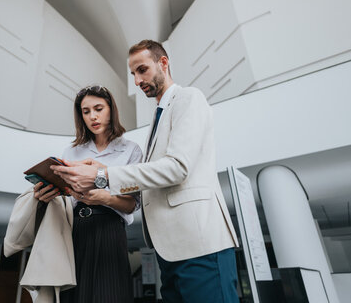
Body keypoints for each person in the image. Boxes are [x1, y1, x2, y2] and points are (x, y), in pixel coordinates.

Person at [52, 40, 240, 303]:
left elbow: (177, 168)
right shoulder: (158, 116)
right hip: (170, 250)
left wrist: (102, 177)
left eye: (142, 70)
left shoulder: (189, 98)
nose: (137, 81)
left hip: (199, 243)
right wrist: (101, 170)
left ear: (163, 63)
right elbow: (150, 175)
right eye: (133, 74)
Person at [33, 85, 142, 303]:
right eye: (86, 111)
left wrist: (106, 198)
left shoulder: (131, 150)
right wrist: (46, 194)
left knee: (110, 295)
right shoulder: (72, 152)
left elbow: (132, 204)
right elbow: (65, 199)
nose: (93, 116)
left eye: (98, 108)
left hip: (110, 229)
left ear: (111, 109)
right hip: (75, 231)